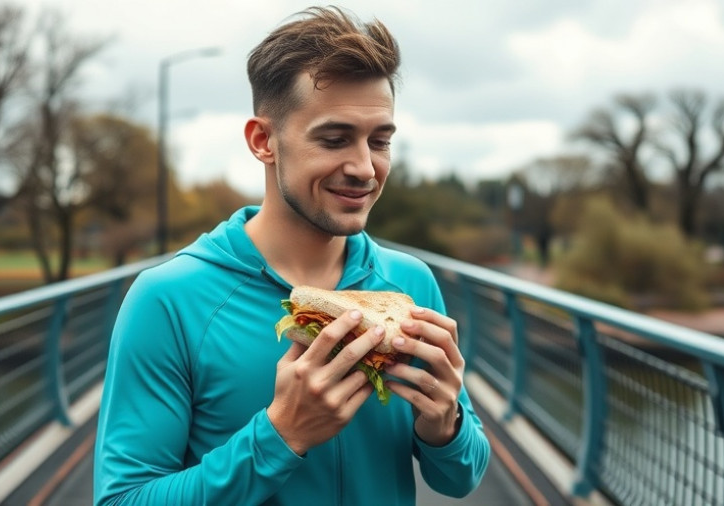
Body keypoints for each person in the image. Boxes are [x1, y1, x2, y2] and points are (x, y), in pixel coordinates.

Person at [94, 6, 490, 505]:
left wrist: (446, 425)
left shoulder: (411, 283)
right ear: (264, 141)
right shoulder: (166, 301)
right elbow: (122, 499)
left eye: (380, 141)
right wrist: (280, 436)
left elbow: (461, 479)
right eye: (334, 139)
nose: (365, 168)